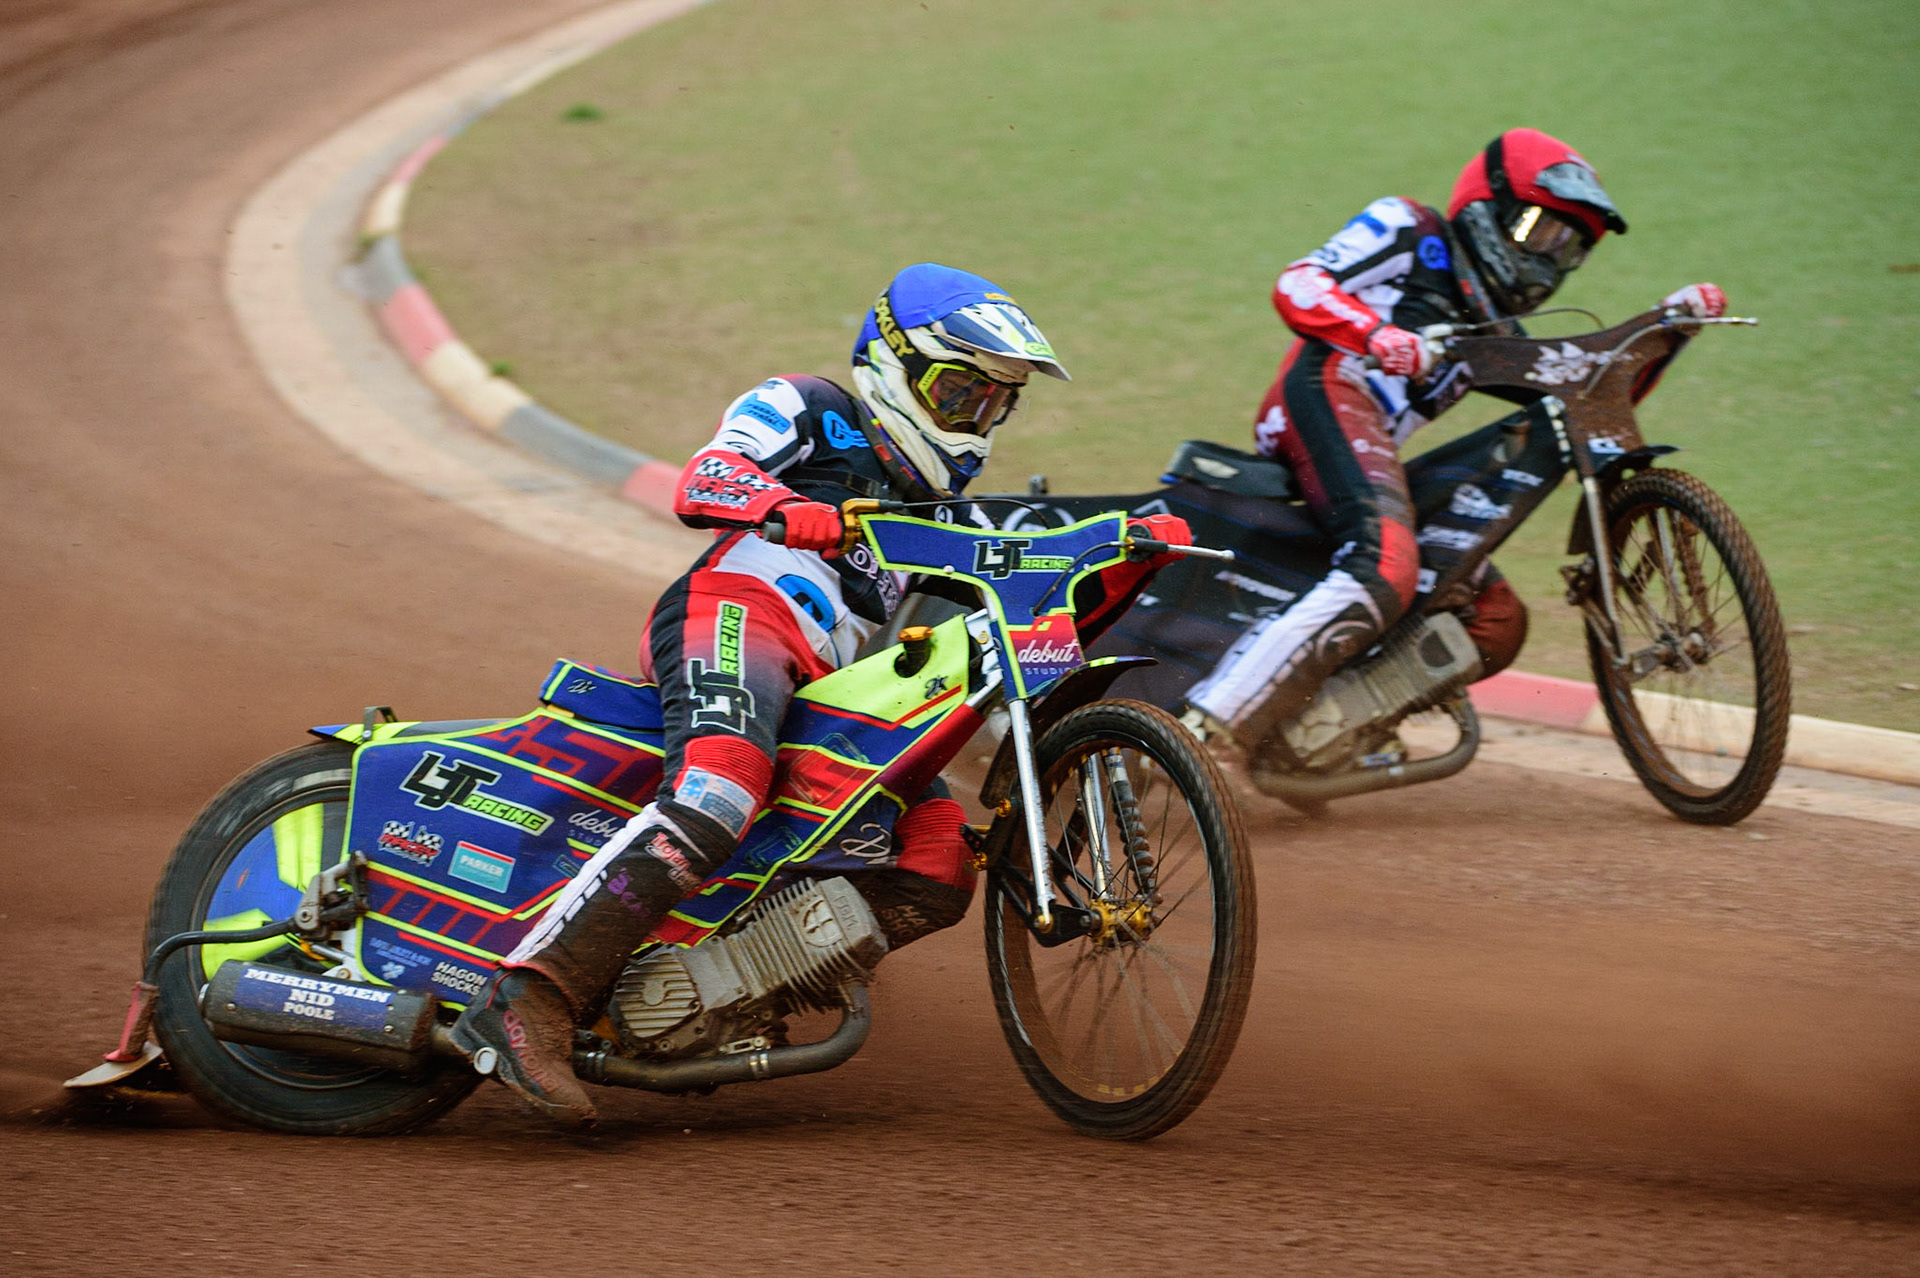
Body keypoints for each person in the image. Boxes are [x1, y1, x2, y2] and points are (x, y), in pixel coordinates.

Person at [450, 263, 1190, 1125]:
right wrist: (783, 505)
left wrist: (1126, 554)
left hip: (830, 687)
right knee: (719, 789)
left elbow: (1031, 598)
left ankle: (715, 993)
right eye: (959, 393)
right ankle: (526, 1001)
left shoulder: (938, 509)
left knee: (936, 859)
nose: (972, 420)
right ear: (895, 365)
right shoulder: (809, 405)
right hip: (738, 612)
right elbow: (706, 477)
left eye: (993, 404)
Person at [1184, 128, 1728, 753]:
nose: (1548, 258)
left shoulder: (1493, 327)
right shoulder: (1408, 228)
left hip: (1372, 451)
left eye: (1569, 246)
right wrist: (1375, 336)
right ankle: (1204, 727)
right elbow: (1299, 283)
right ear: (1486, 205)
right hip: (1324, 389)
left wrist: (1668, 330)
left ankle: (1313, 736)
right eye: (1538, 230)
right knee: (1386, 566)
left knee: (1496, 619)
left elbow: (1591, 396)